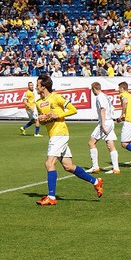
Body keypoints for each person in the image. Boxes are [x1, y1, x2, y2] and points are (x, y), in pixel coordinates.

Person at [34, 74, 103, 206]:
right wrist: (42, 120)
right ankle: (96, 182)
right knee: (68, 166)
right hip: (53, 135)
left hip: (60, 133)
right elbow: (42, 121)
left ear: (43, 87)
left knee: (49, 164)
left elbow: (73, 109)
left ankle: (51, 197)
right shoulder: (38, 103)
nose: (36, 87)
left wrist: (58, 114)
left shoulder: (56, 97)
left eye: (37, 85)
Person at [86, 82, 120, 174]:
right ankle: (116, 168)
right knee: (110, 144)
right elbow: (112, 109)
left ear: (94, 88)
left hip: (105, 122)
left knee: (91, 142)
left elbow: (103, 109)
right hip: (110, 121)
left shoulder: (99, 97)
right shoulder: (105, 96)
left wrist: (102, 124)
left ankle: (95, 166)